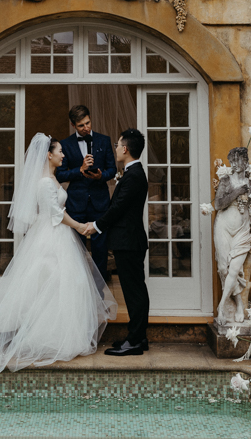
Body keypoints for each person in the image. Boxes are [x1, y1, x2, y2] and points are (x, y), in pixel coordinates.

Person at [0, 134, 116, 387]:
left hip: (58, 235)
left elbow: (59, 210)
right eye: (59, 152)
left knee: (64, 286)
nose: (63, 155)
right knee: (52, 284)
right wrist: (80, 226)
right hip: (51, 237)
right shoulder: (45, 183)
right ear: (48, 154)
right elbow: (56, 214)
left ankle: (63, 335)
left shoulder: (52, 178)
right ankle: (46, 338)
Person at [85, 129, 150, 356]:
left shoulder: (134, 176)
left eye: (117, 144)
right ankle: (138, 338)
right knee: (135, 290)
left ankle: (135, 340)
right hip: (128, 240)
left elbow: (118, 208)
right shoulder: (132, 173)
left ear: (126, 149)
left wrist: (96, 225)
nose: (115, 148)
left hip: (129, 241)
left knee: (134, 292)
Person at [56, 105, 117, 281]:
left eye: (88, 123)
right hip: (76, 204)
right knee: (76, 251)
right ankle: (78, 290)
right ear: (73, 125)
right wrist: (79, 170)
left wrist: (100, 176)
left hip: (100, 203)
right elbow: (60, 175)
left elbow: (112, 170)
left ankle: (99, 293)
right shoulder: (65, 145)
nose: (87, 127)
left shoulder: (104, 141)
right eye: (81, 125)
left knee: (100, 251)